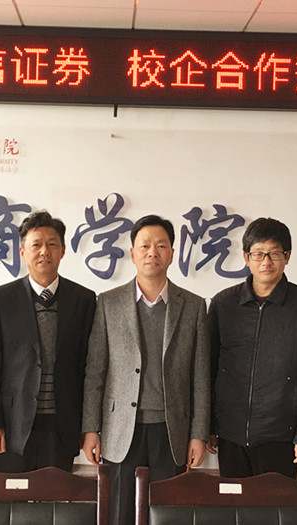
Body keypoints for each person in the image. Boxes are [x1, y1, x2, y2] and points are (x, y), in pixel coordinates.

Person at [82, 214, 210, 525]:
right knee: (120, 513)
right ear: (133, 253)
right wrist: (91, 429)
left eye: (161, 246)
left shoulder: (193, 306)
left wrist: (198, 434)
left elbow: (200, 376)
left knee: (167, 513)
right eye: (145, 246)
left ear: (171, 253)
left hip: (172, 429)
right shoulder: (108, 303)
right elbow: (96, 371)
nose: (153, 252)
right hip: (121, 429)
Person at [207, 217, 297, 478]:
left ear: (287, 257)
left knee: (276, 503)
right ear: (246, 257)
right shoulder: (223, 304)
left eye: (274, 253)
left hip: (282, 435)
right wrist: (207, 426)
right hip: (230, 433)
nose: (266, 262)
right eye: (258, 254)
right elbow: (208, 369)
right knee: (233, 501)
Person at [0, 210, 96, 472]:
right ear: (22, 252)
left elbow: (90, 368)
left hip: (63, 424)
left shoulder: (84, 300)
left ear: (63, 251)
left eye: (52, 244)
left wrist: (89, 426)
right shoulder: (0, 300)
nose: (44, 252)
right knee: (12, 495)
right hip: (13, 424)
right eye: (36, 245)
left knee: (57, 495)